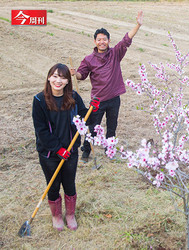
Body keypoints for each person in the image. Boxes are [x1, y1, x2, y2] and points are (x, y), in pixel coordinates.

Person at [32, 63, 99, 231]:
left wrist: (93, 110)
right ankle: (56, 215)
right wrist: (57, 148)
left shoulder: (74, 97)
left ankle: (70, 214)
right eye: (55, 76)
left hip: (70, 151)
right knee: (53, 185)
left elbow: (85, 118)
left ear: (68, 81)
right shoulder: (39, 100)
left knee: (69, 184)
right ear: (49, 78)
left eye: (62, 77)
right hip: (49, 153)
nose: (58, 80)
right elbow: (41, 131)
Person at [71, 11, 143, 162]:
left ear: (109, 40)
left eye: (104, 39)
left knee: (112, 127)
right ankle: (86, 151)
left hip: (114, 99)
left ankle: (109, 149)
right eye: (99, 39)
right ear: (95, 42)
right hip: (97, 100)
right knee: (92, 127)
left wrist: (138, 25)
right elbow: (81, 75)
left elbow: (126, 40)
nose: (102, 42)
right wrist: (74, 73)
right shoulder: (89, 59)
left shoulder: (115, 53)